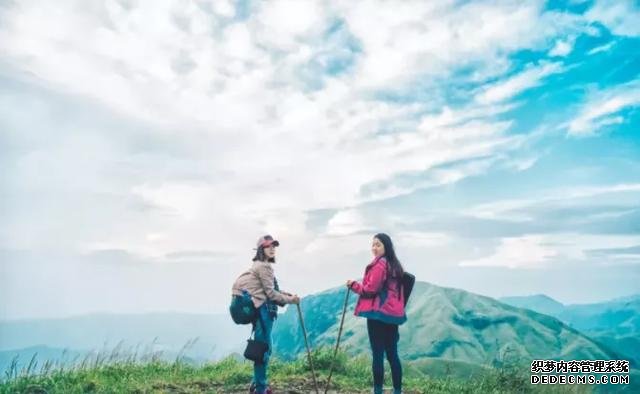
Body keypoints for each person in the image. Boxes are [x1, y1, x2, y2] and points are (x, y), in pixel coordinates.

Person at [232, 235, 300, 394]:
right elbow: (271, 294)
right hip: (263, 312)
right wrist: (292, 300)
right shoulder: (264, 267)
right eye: (268, 246)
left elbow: (268, 291)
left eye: (274, 246)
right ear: (261, 249)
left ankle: (257, 385)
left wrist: (288, 296)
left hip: (260, 310)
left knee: (262, 349)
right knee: (263, 351)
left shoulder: (258, 266)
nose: (272, 249)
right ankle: (260, 389)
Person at [347, 233, 407, 394]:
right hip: (392, 316)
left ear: (386, 247)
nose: (374, 248)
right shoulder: (395, 265)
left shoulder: (380, 264)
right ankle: (397, 390)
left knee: (378, 354)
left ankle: (378, 391)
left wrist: (353, 285)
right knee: (393, 354)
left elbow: (370, 290)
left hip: (378, 315)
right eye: (373, 244)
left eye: (378, 244)